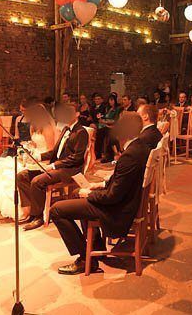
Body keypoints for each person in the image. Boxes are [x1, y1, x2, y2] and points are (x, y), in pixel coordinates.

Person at [50, 113, 150, 275]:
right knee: (76, 192)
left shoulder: (130, 155)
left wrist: (88, 194)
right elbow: (122, 182)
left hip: (118, 211)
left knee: (56, 210)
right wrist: (100, 184)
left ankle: (85, 259)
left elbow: (112, 197)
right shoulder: (140, 147)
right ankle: (95, 245)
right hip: (125, 202)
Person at [0, 104, 58, 219]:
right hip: (32, 156)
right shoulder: (34, 127)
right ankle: (0, 206)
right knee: (2, 170)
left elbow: (51, 150)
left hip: (43, 160)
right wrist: (27, 151)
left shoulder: (47, 128)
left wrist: (36, 157)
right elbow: (33, 144)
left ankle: (27, 209)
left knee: (13, 176)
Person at [18, 103, 89, 230]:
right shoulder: (66, 129)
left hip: (70, 170)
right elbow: (56, 151)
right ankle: (31, 211)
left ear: (77, 114)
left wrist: (54, 165)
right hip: (60, 166)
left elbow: (76, 158)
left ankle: (38, 216)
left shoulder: (81, 132)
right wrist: (40, 157)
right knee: (21, 176)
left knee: (37, 181)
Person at [96, 94, 121, 162]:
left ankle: (108, 155)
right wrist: (102, 120)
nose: (110, 102)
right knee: (99, 133)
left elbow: (115, 120)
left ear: (115, 100)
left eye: (112, 100)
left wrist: (104, 121)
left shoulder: (118, 109)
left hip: (114, 126)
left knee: (107, 133)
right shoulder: (108, 109)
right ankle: (99, 153)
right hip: (107, 126)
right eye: (109, 100)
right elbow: (105, 118)